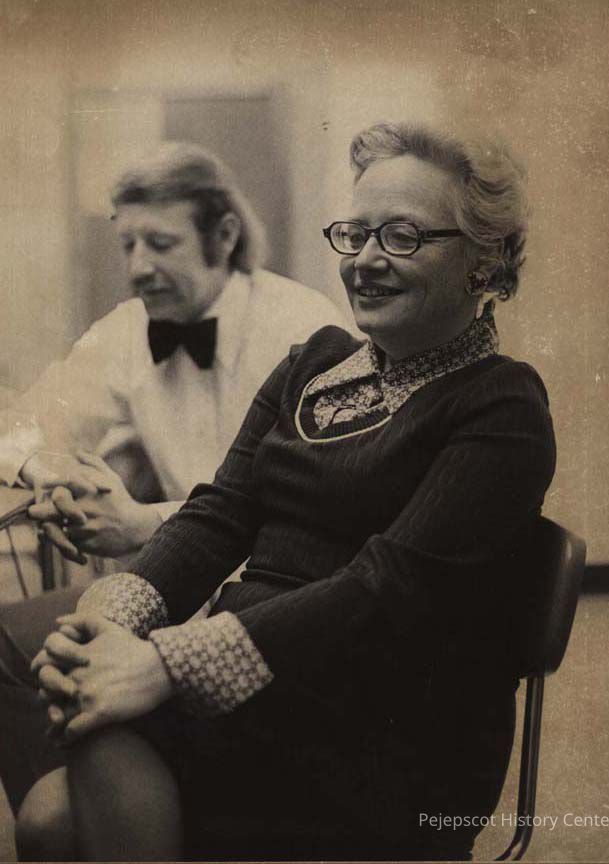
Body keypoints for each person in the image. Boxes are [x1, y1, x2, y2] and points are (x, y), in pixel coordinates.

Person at [12, 121, 555, 861]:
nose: (365, 260)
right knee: (53, 804)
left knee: (85, 748)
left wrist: (163, 665)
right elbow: (217, 517)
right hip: (256, 691)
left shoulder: (501, 405)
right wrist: (109, 621)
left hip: (387, 734)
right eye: (355, 235)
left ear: (483, 262)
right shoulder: (313, 363)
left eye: (401, 237)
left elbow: (384, 589)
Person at [0, 140, 348, 565]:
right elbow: (19, 425)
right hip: (176, 585)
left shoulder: (304, 328)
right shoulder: (126, 331)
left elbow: (318, 502)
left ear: (224, 236)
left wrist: (151, 523)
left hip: (288, 585)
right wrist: (52, 478)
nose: (138, 269)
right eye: (128, 245)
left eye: (161, 244)